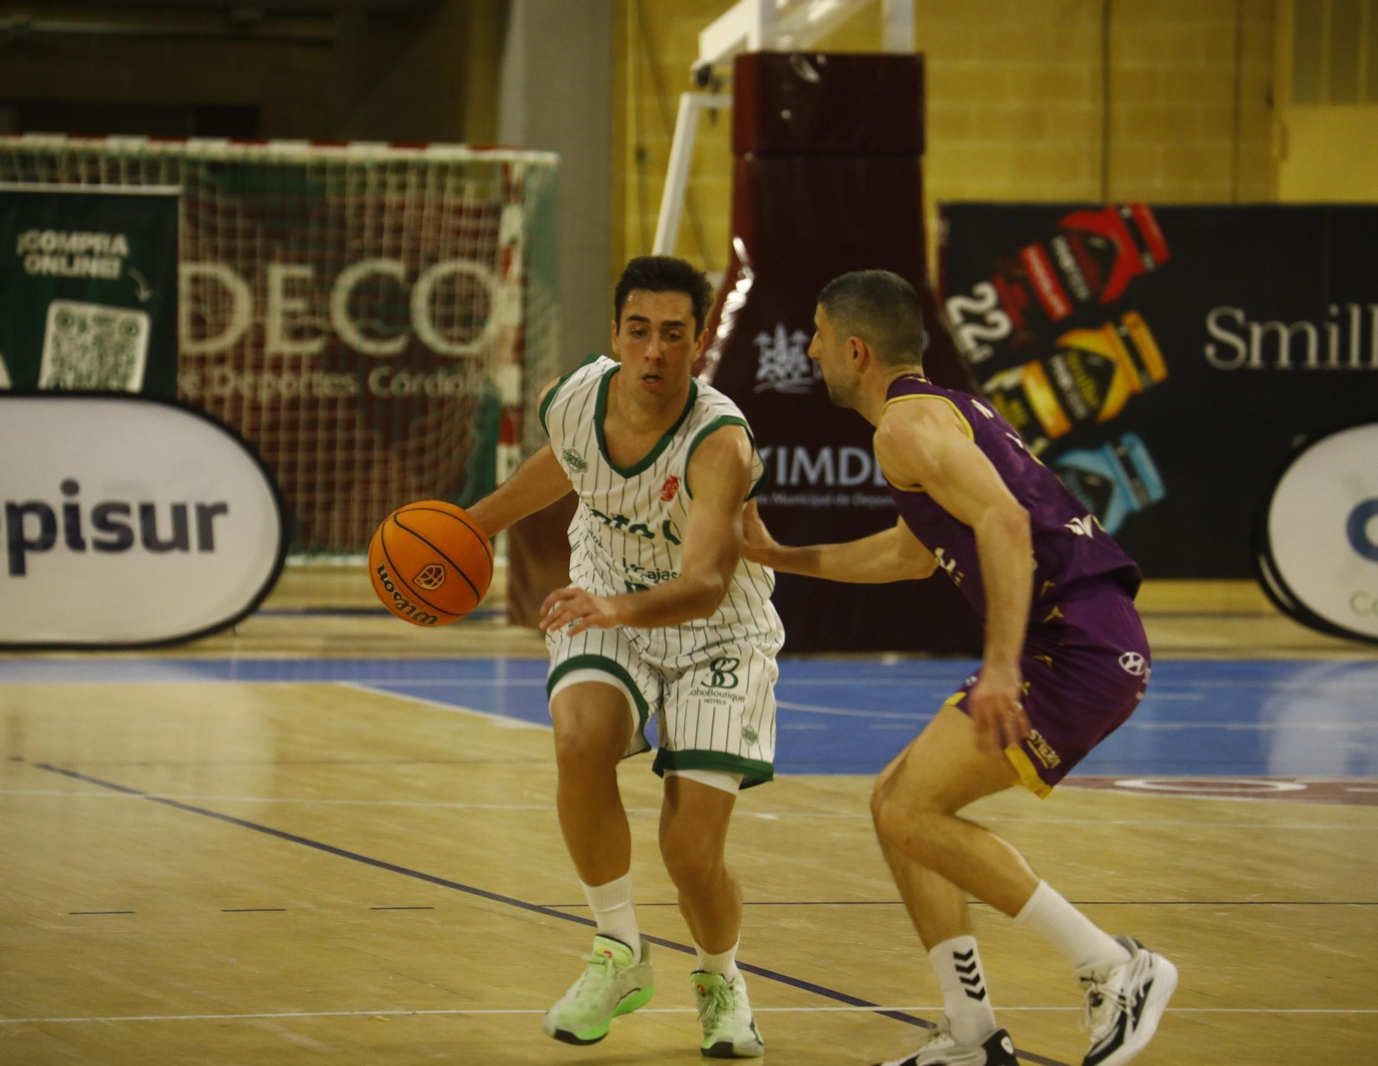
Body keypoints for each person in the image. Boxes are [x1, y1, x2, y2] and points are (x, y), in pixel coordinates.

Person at [740, 270, 1177, 1066]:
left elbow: (1005, 522)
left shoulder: (905, 427)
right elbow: (909, 556)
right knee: (894, 804)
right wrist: (779, 555)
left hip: (1076, 644)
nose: (809, 351)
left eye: (818, 335)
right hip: (1077, 637)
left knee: (911, 811)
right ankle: (970, 1030)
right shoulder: (940, 413)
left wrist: (1002, 666)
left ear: (856, 350)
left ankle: (1115, 967)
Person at [466, 255, 781, 1059]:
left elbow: (706, 584)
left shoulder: (719, 443)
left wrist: (618, 608)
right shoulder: (575, 398)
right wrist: (471, 526)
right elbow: (566, 461)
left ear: (699, 342)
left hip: (718, 633)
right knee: (580, 740)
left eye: (673, 334)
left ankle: (721, 979)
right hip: (605, 596)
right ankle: (618, 951)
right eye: (638, 331)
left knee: (691, 856)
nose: (653, 350)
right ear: (614, 334)